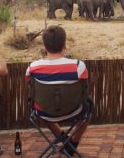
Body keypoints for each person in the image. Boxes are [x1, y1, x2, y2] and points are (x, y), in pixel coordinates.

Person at [25, 25, 91, 155]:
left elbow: (29, 85)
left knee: (40, 104)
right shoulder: (79, 66)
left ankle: (63, 138)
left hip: (45, 113)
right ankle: (73, 143)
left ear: (44, 46)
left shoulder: (33, 67)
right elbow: (84, 87)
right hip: (75, 111)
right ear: (64, 44)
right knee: (89, 108)